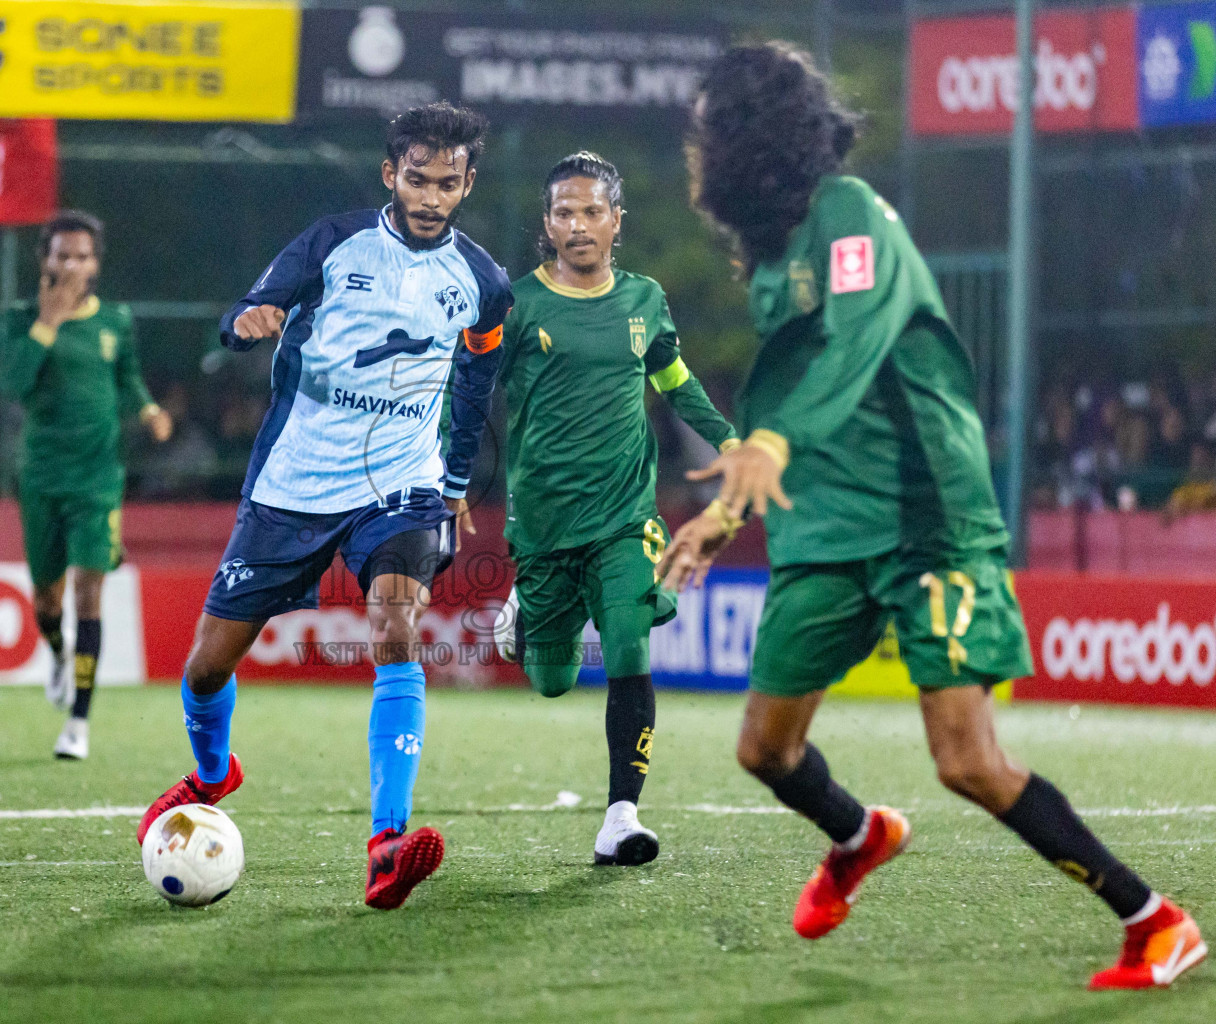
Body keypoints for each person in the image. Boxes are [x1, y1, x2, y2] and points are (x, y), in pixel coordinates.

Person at [658, 43, 1204, 991]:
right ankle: (861, 834)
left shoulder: (852, 214)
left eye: (705, 125)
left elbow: (853, 343)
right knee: (763, 750)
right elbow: (784, 384)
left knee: (967, 761)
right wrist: (727, 503)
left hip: (927, 520)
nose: (694, 147)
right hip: (827, 531)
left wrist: (773, 448)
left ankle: (1154, 920)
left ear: (747, 135)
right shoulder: (775, 256)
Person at [137, 102, 513, 911]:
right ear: (390, 174)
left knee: (394, 625)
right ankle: (212, 773)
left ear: (467, 185)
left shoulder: (483, 283)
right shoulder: (332, 242)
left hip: (402, 488)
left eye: (449, 183)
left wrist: (452, 482)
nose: (432, 195)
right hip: (295, 485)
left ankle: (387, 843)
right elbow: (241, 313)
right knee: (207, 664)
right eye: (418, 178)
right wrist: (251, 321)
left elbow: (478, 379)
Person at [491, 152, 738, 865]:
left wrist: (730, 440)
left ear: (615, 222)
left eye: (592, 211)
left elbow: (676, 381)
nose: (578, 225)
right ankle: (527, 608)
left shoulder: (644, 301)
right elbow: (472, 392)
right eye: (564, 212)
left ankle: (621, 816)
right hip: (542, 524)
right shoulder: (517, 305)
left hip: (626, 514)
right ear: (547, 223)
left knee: (630, 639)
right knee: (552, 680)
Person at [0, 210, 173, 760]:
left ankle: (78, 721)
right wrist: (46, 323)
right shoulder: (20, 318)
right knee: (47, 600)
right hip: (43, 478)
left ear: (96, 263)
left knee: (88, 593)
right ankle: (57, 653)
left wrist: (146, 408)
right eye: (61, 254)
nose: (71, 263)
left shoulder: (115, 319)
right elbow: (11, 384)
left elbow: (127, 376)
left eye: (81, 255)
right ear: (44, 260)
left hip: (98, 479)